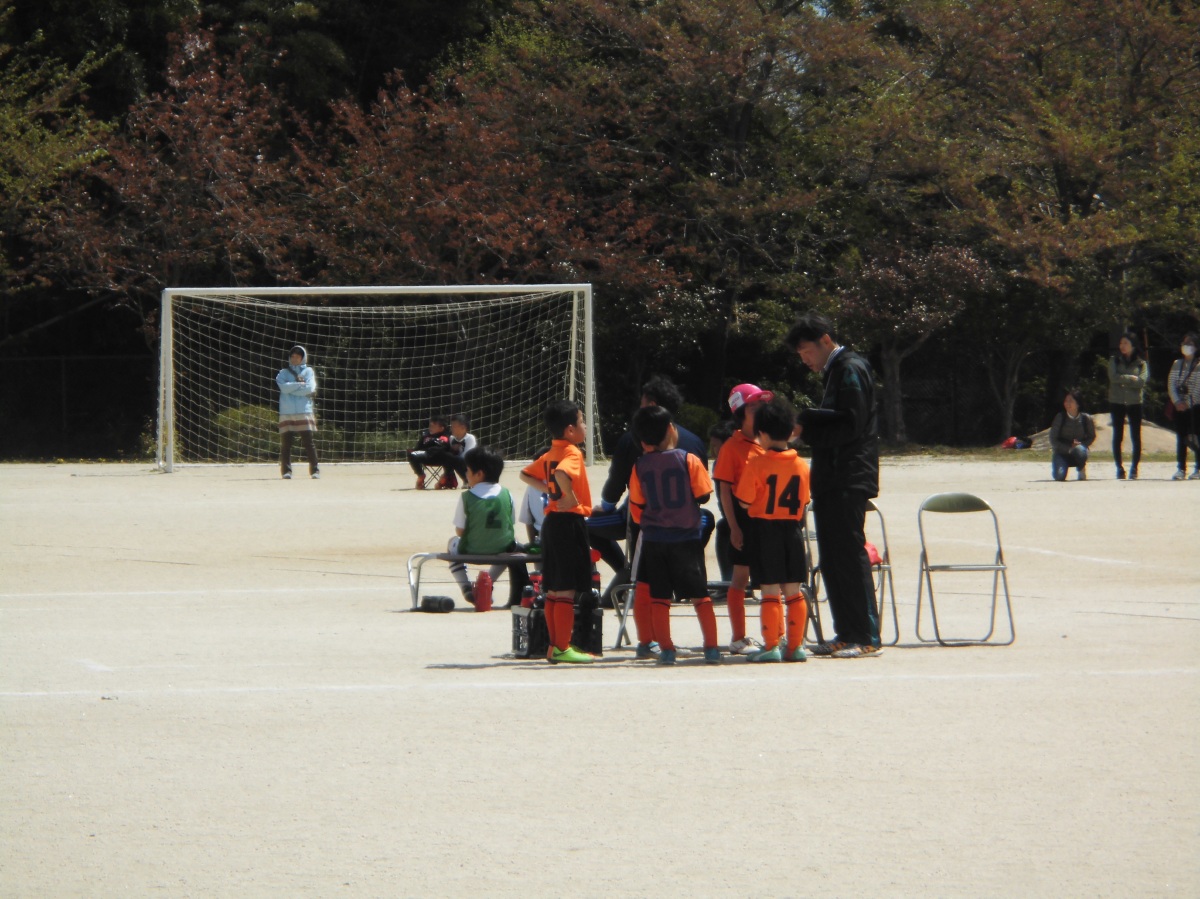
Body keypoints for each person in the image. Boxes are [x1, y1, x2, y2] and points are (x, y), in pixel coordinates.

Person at [785, 313, 881, 659]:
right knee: (831, 557)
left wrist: (806, 428)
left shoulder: (850, 368)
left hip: (849, 475)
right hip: (831, 478)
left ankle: (866, 636)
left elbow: (852, 424)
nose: (805, 359)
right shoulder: (836, 371)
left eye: (807, 351)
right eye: (800, 354)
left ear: (826, 340)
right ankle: (845, 633)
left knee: (849, 554)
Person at [592, 376, 711, 607]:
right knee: (707, 520)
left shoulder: (632, 441)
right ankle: (682, 571)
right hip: (687, 525)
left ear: (651, 405)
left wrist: (606, 507)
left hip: (650, 525)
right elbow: (702, 495)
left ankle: (626, 571)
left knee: (588, 526)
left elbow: (617, 484)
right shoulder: (695, 443)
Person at [626, 405, 721, 665]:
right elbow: (703, 494)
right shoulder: (689, 459)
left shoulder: (639, 466)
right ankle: (711, 647)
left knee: (659, 598)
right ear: (671, 429)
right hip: (686, 538)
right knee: (700, 595)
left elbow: (637, 505)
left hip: (655, 540)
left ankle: (666, 649)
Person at [734, 397, 811, 663]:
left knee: (769, 590)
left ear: (762, 434)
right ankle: (796, 646)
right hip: (792, 531)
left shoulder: (757, 463)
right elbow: (805, 500)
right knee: (794, 591)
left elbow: (744, 501)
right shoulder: (802, 465)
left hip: (765, 531)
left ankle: (771, 645)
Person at [519, 399, 596, 664]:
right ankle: (562, 647)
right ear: (570, 430)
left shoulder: (551, 452)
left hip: (551, 523)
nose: (585, 426)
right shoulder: (572, 453)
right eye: (582, 421)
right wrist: (570, 497)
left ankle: (555, 646)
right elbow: (563, 475)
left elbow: (525, 475)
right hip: (568, 522)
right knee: (566, 590)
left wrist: (550, 492)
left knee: (553, 590)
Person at [711, 383, 773, 655]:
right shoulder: (731, 447)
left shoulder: (768, 440)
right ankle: (738, 637)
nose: (759, 409)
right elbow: (725, 490)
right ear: (739, 412)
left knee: (772, 578)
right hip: (744, 518)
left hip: (768, 518)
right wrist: (734, 526)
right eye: (753, 406)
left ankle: (774, 636)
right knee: (740, 577)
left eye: (762, 404)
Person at [446, 446, 530, 608]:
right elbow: (510, 524)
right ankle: (488, 583)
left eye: (468, 470)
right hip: (500, 548)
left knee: (452, 542)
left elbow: (460, 530)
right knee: (510, 545)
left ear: (479, 474)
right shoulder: (507, 493)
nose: (466, 474)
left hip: (471, 549)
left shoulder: (466, 496)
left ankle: (466, 587)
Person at [1107, 331, 1148, 480]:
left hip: (1135, 402)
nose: (1122, 346)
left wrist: (1122, 379)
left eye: (1126, 343)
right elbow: (1113, 377)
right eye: (1121, 343)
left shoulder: (1141, 363)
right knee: (1118, 435)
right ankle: (1119, 467)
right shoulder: (1114, 360)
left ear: (1133, 345)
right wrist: (1130, 378)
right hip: (1117, 401)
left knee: (1135, 436)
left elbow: (1141, 382)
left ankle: (1134, 468)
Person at [276, 345, 320, 480]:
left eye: (298, 356)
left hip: (304, 410)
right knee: (286, 444)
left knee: (308, 442)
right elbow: (283, 388)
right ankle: (286, 471)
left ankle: (315, 471)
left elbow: (310, 388)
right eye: (293, 356)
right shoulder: (283, 372)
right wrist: (300, 385)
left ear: (303, 358)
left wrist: (291, 387)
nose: (295, 359)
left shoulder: (308, 371)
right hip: (286, 411)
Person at [1167, 332, 1200, 480]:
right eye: (1184, 343)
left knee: (1196, 437)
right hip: (1179, 406)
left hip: (1195, 407)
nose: (1186, 346)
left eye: (1190, 344)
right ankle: (1181, 468)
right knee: (1181, 437)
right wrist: (1177, 402)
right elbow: (1171, 384)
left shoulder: (1198, 365)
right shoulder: (1177, 364)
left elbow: (1198, 387)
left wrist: (1189, 403)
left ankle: (1198, 468)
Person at [708, 419, 736, 581]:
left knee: (724, 527)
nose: (712, 450)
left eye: (715, 446)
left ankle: (728, 580)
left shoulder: (725, 464)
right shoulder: (719, 463)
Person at [1049, 388, 1096, 482]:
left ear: (1078, 404)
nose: (1067, 403)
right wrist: (1068, 448)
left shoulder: (1086, 418)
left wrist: (1081, 444)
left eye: (1070, 401)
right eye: (1066, 401)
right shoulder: (1060, 417)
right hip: (1061, 452)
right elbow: (1053, 439)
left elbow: (1091, 436)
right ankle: (1061, 465)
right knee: (1059, 477)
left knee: (1080, 450)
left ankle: (1081, 467)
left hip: (1078, 450)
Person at [408, 415, 452, 489]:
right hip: (426, 456)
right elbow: (418, 448)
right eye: (430, 426)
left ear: (441, 428)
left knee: (449, 455)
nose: (430, 428)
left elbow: (444, 448)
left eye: (433, 426)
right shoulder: (426, 436)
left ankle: (445, 477)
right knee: (412, 454)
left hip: (440, 458)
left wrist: (432, 444)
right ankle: (421, 475)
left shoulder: (445, 436)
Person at [444, 412, 478, 487]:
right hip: (457, 461)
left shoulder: (470, 438)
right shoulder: (452, 438)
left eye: (454, 426)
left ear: (463, 427)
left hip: (470, 463)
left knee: (455, 459)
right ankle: (450, 480)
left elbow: (467, 455)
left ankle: (468, 480)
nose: (451, 428)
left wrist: (455, 453)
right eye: (451, 426)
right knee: (447, 457)